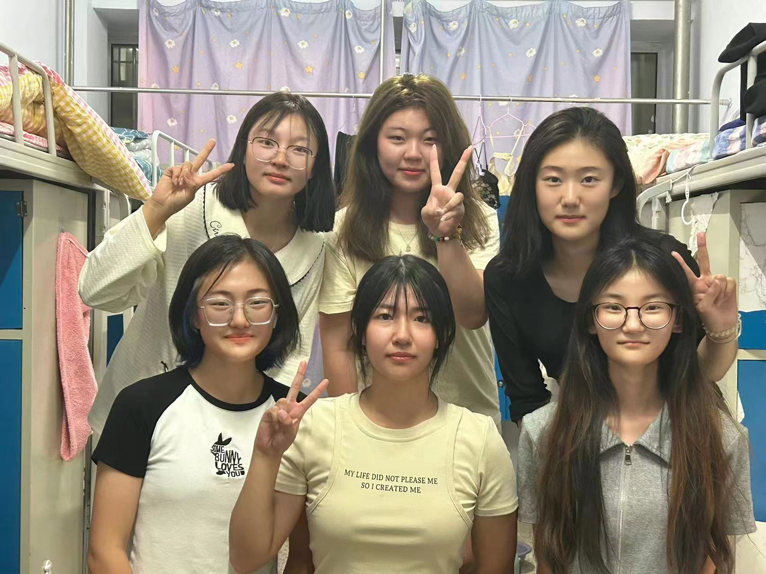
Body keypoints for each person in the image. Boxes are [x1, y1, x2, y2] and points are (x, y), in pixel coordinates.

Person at [230, 256, 518, 574]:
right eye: (385, 316)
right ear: (361, 331)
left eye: (422, 318)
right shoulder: (314, 425)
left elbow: (496, 568)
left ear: (441, 335)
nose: (402, 335)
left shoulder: (478, 438)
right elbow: (247, 559)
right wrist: (265, 456)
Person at [80, 91, 336, 434]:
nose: (280, 159)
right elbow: (94, 291)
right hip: (145, 410)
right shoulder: (191, 206)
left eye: (299, 149)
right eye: (266, 142)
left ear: (316, 167)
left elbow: (290, 350)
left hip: (236, 426)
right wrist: (156, 211)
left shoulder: (315, 246)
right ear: (243, 149)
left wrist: (266, 424)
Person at [485, 107, 739, 423]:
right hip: (581, 433)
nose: (570, 198)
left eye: (589, 179)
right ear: (531, 185)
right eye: (553, 179)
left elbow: (701, 373)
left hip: (678, 429)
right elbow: (527, 401)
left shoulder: (663, 259)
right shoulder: (507, 277)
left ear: (615, 184)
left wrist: (720, 329)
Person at [517, 238, 755, 574]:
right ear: (590, 319)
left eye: (653, 307)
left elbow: (713, 559)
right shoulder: (543, 431)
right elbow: (548, 557)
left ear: (677, 320)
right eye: (613, 307)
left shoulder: (720, 437)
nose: (632, 324)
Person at [88, 236, 313, 573]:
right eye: (220, 303)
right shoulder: (142, 405)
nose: (240, 320)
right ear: (193, 315)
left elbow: (302, 557)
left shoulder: (293, 415)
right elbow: (105, 551)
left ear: (277, 314)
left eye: (257, 302)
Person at [320, 74, 501, 426]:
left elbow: (472, 314)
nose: (414, 154)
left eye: (430, 139)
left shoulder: (481, 220)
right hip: (378, 424)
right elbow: (339, 345)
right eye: (397, 138)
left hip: (467, 417)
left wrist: (447, 236)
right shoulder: (342, 230)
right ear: (372, 143)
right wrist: (351, 430)